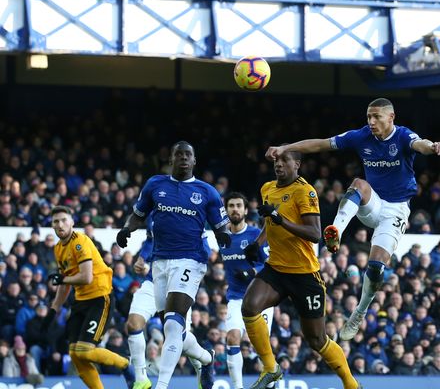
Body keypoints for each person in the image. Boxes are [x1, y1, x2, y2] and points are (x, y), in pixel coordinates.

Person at [265, 98, 440, 341]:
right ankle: (336, 232)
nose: (371, 122)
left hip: (396, 211)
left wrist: (432, 146)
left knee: (375, 269)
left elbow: (419, 144)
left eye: (377, 117)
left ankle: (359, 312)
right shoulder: (361, 136)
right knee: (359, 184)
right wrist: (285, 149)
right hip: (372, 203)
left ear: (391, 117)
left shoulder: (402, 136)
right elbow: (320, 144)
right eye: (369, 116)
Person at [240, 149, 360, 389]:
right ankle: (271, 368)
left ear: (297, 164)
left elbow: (315, 234)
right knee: (250, 307)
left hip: (305, 275)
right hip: (276, 269)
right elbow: (269, 224)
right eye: (277, 160)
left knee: (317, 340)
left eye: (285, 160)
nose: (279, 164)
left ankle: (351, 384)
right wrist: (257, 243)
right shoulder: (267, 189)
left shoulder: (305, 191)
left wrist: (279, 219)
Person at [117, 141, 231, 389]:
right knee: (175, 332)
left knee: (172, 322)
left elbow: (221, 226)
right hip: (159, 263)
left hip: (191, 260)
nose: (183, 158)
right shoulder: (155, 185)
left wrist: (223, 236)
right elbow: (138, 214)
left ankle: (161, 385)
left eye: (187, 154)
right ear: (171, 158)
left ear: (194, 160)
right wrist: (127, 228)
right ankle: (205, 357)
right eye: (178, 154)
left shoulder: (207, 192)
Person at [44, 206, 135, 389]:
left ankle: (125, 364)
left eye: (63, 220)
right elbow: (65, 283)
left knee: (85, 351)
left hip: (100, 298)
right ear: (52, 225)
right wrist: (53, 310)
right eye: (56, 221)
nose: (60, 224)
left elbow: (86, 277)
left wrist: (62, 279)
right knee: (75, 354)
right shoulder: (58, 249)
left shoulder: (81, 242)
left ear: (72, 222)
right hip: (81, 301)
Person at [125, 214, 207, 389]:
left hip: (179, 286)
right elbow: (150, 239)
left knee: (179, 338)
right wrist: (141, 258)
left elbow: (205, 251)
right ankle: (141, 380)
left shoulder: (191, 215)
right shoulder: (155, 212)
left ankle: (203, 362)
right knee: (133, 325)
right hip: (151, 281)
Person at [221, 192, 273, 389]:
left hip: (262, 297)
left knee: (261, 346)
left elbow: (270, 263)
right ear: (226, 211)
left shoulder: (255, 235)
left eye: (238, 206)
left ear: (245, 210)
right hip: (236, 298)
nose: (235, 209)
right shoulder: (222, 237)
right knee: (232, 338)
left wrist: (251, 271)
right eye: (231, 206)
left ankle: (270, 384)